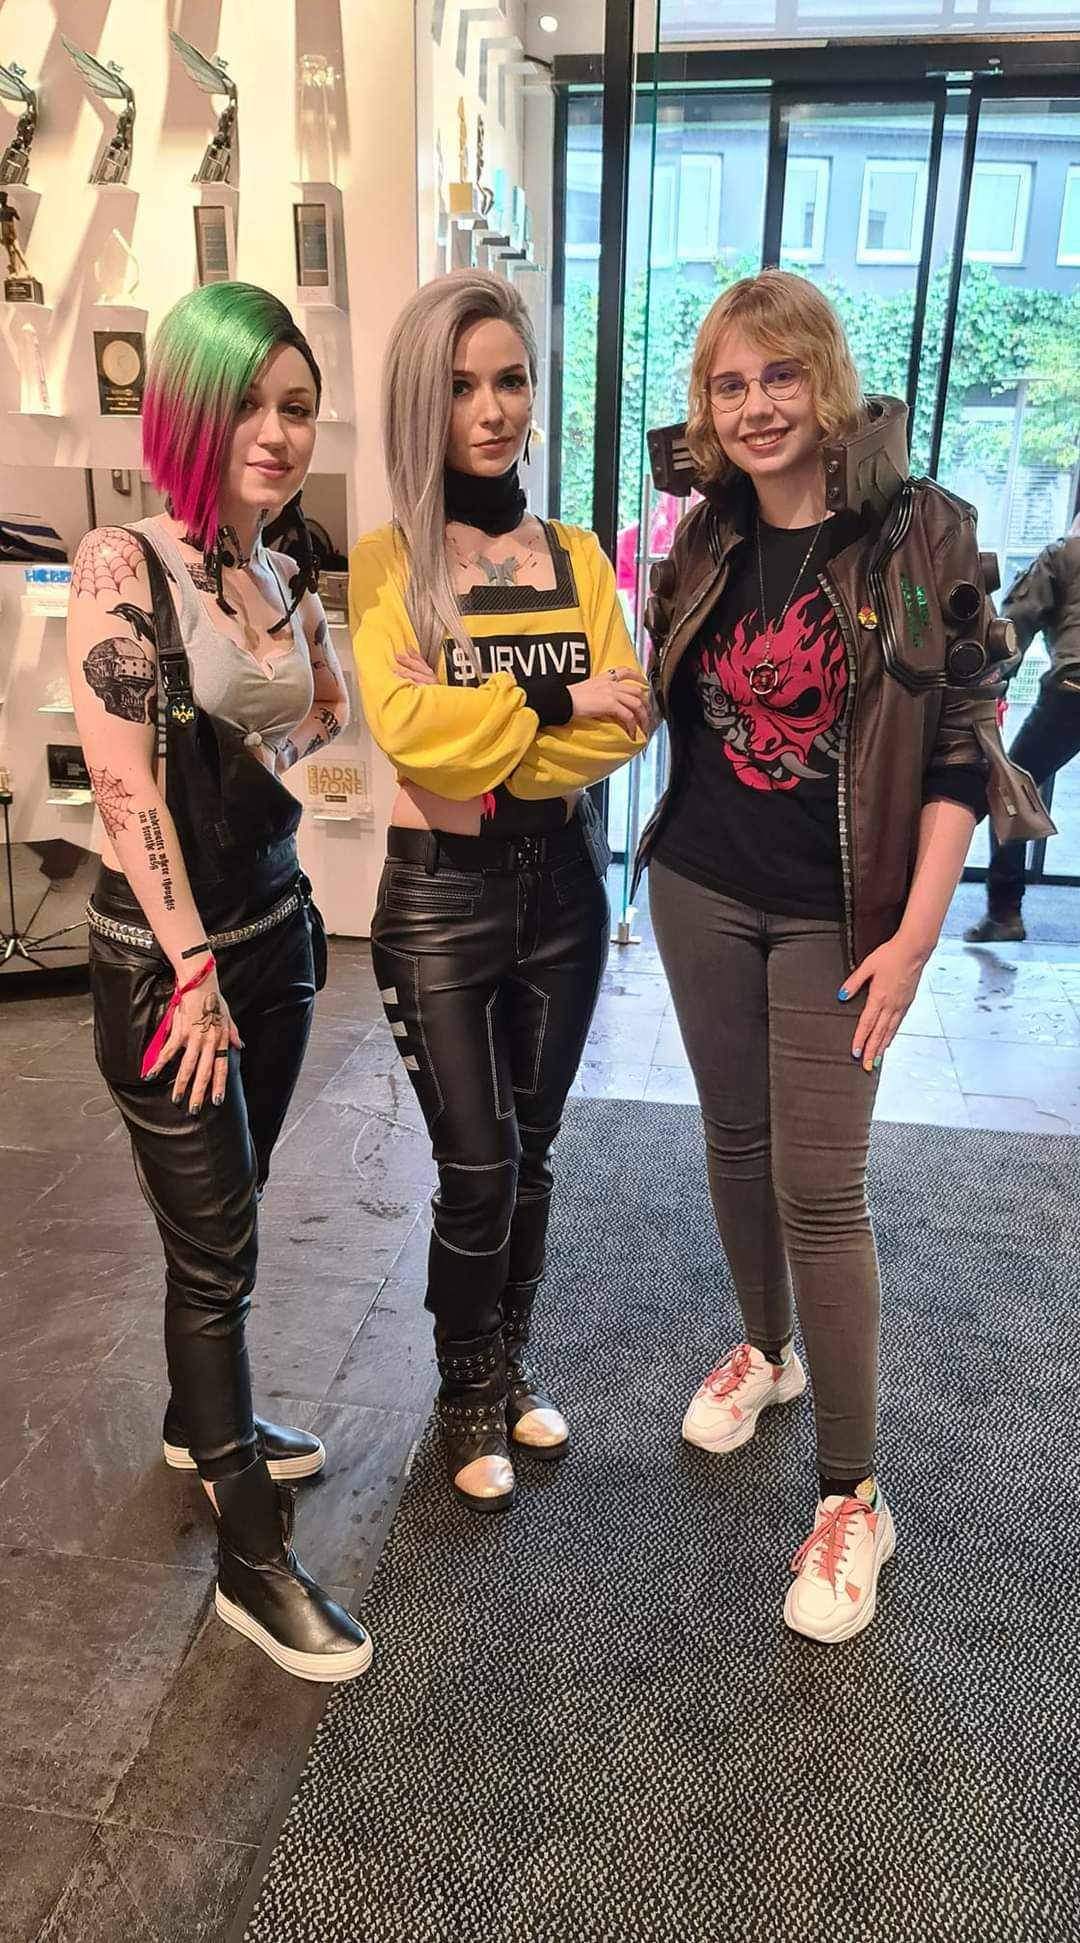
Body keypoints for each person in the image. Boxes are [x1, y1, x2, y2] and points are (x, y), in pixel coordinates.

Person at [635, 270, 1049, 1643]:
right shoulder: (706, 532)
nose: (755, 407)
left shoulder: (921, 532)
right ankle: (768, 1350)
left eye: (779, 376)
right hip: (701, 885)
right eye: (728, 384)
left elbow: (962, 746)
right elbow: (670, 697)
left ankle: (853, 1494)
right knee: (734, 1140)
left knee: (822, 1187)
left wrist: (916, 939)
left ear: (827, 380)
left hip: (843, 911)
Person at [68, 282, 371, 1682]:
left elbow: (320, 718)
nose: (277, 429)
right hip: (170, 973)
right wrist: (191, 969)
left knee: (231, 1214)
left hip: (277, 936)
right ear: (188, 407)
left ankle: (202, 1425)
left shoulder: (278, 567)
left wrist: (282, 736)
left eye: (296, 406)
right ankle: (251, 1562)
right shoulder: (120, 564)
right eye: (248, 401)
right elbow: (125, 786)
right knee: (217, 1257)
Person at [350, 269, 649, 1514]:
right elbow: (409, 734)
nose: (492, 409)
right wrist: (554, 695)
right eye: (463, 385)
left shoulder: (575, 555)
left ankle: (508, 1353)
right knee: (477, 1163)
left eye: (511, 380)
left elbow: (622, 725)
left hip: (564, 889)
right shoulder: (390, 562)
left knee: (535, 1154)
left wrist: (495, 725)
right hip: (438, 900)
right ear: (424, 401)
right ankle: (464, 1385)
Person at [965, 511, 1080, 942]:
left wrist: (992, 679)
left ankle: (1004, 913)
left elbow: (1015, 626)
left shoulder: (1063, 554)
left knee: (1010, 790)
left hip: (1074, 691)